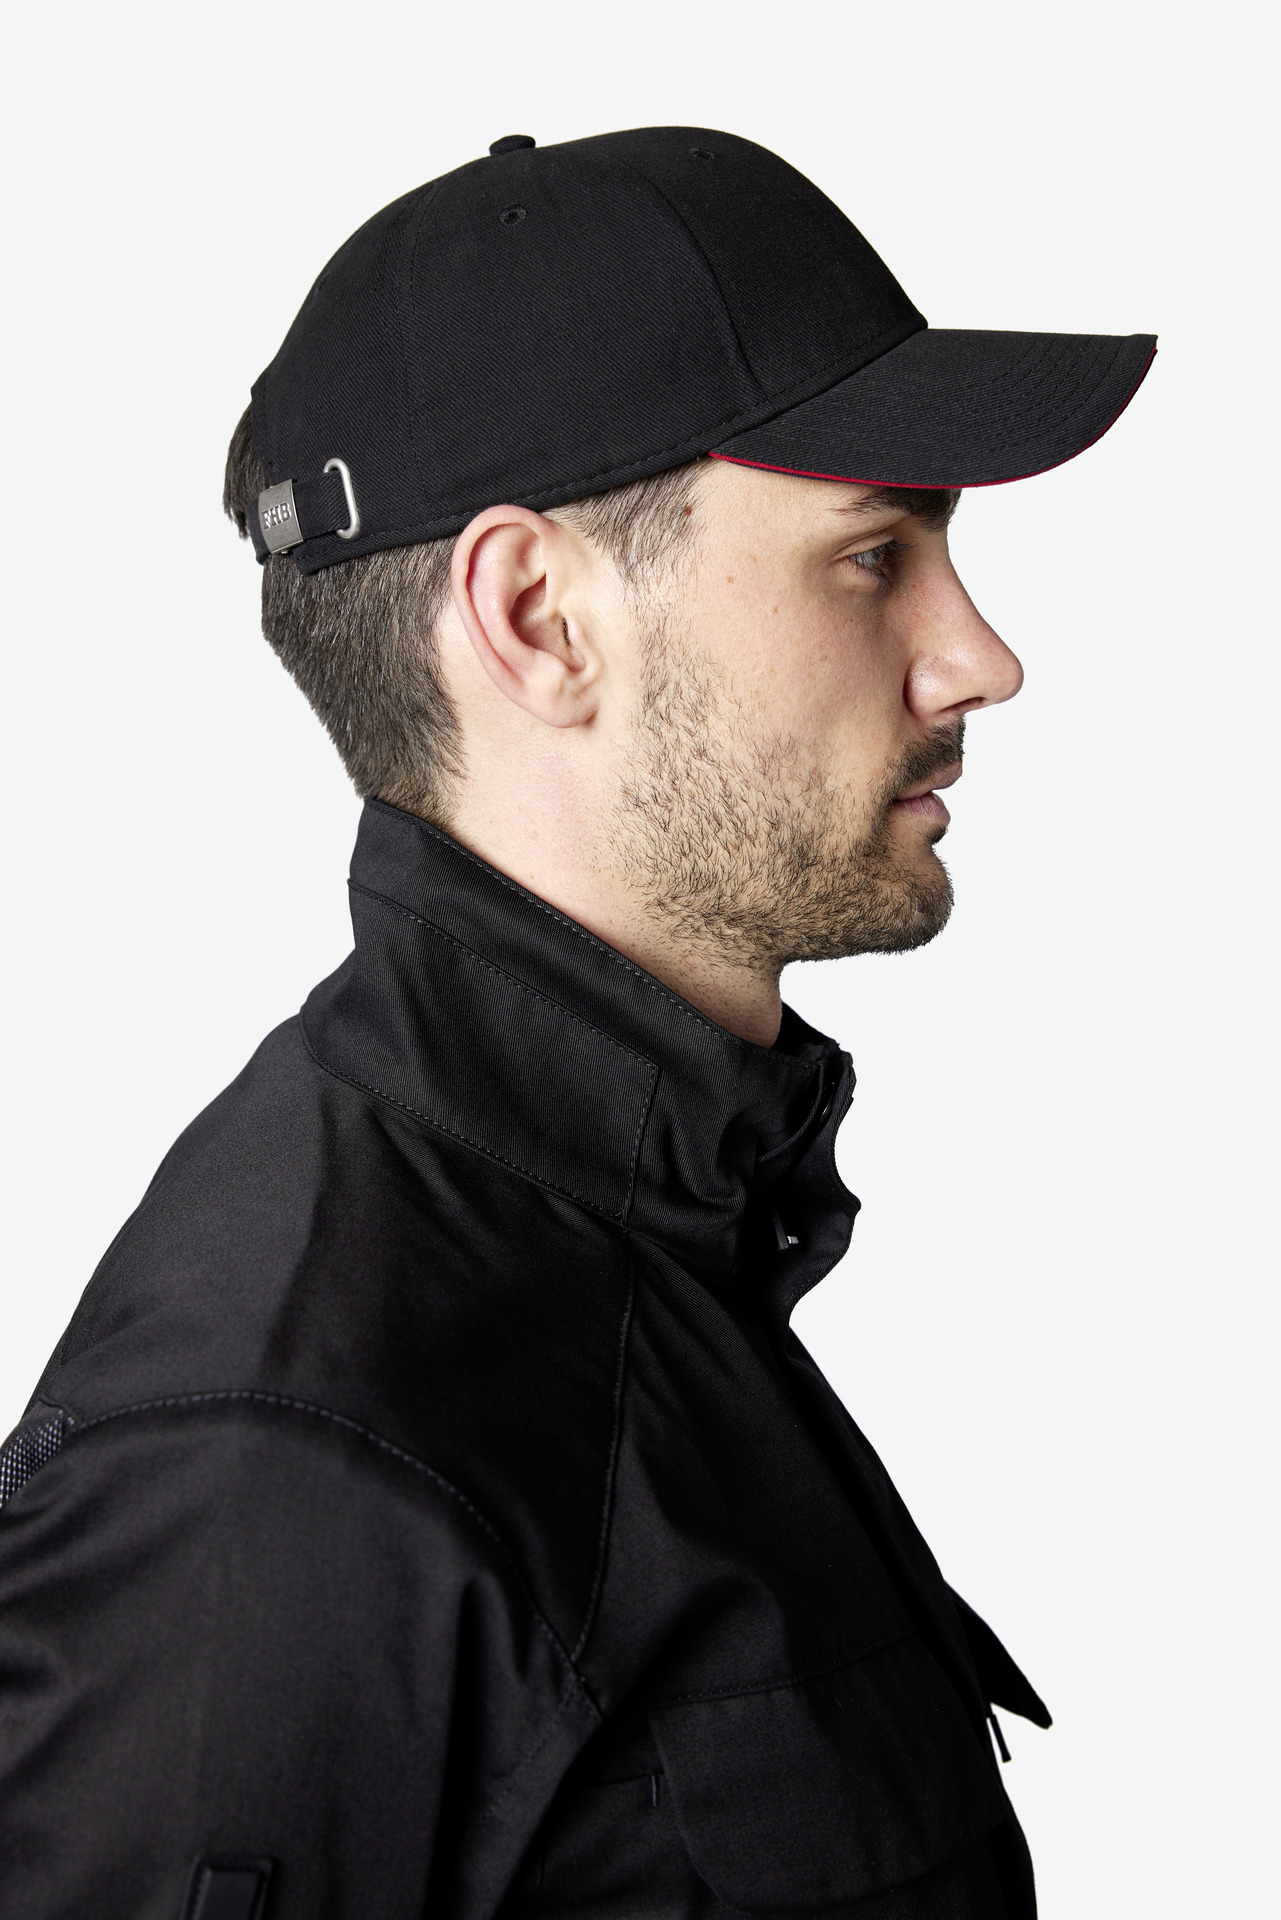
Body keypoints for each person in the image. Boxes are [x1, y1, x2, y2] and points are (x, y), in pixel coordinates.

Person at [0, 127, 1154, 1920]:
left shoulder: (633, 1238)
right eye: (873, 555)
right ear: (538, 619)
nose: (978, 657)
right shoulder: (290, 1453)